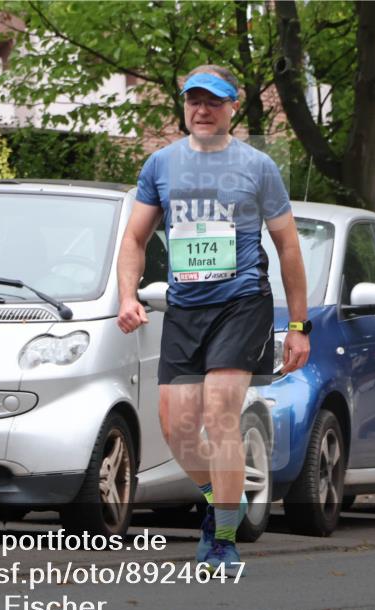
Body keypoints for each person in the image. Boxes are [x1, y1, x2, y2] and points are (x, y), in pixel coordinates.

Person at [116, 64, 310, 575]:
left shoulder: (258, 166)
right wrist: (127, 296)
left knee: (221, 412)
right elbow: (134, 239)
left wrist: (297, 326)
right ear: (184, 108)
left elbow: (288, 246)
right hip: (185, 307)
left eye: (213, 101)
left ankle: (222, 537)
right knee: (177, 426)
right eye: (193, 101)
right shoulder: (160, 165)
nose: (202, 110)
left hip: (241, 303)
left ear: (232, 108)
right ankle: (223, 496)